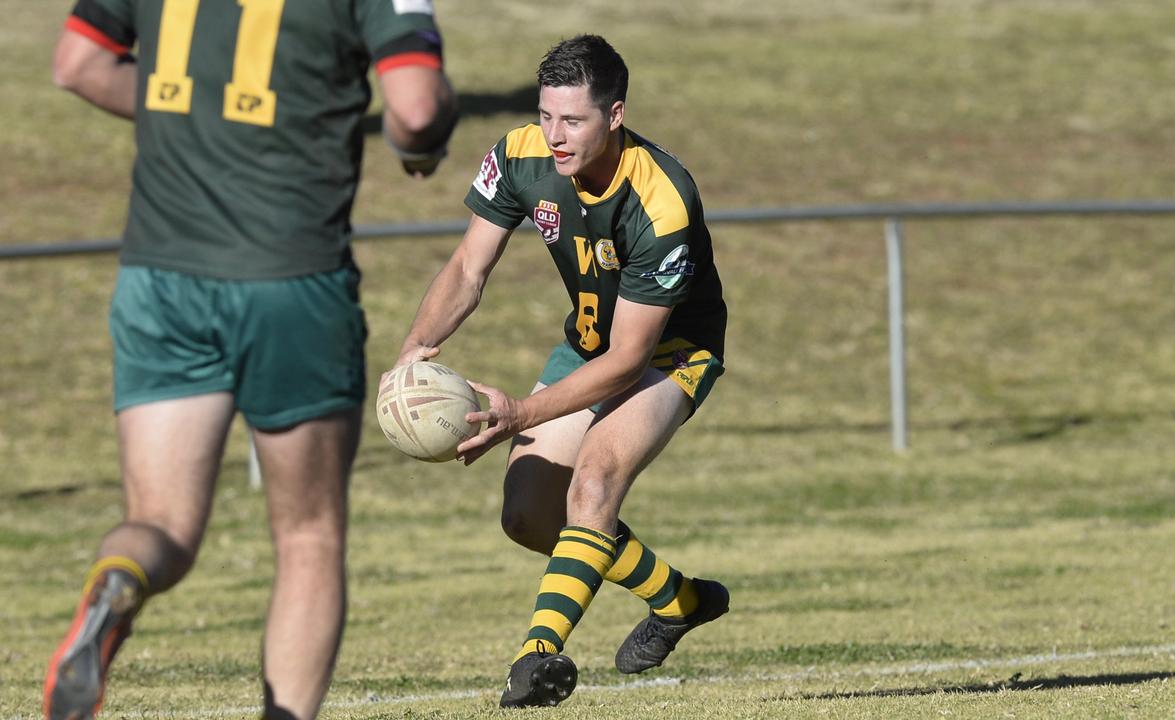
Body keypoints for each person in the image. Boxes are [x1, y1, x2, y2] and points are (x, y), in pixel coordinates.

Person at [44, 0, 457, 717]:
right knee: (308, 533)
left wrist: (194, 121)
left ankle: (117, 583)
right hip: (290, 280)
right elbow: (416, 108)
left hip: (160, 279)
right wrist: (422, 145)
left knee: (164, 525)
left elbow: (77, 66)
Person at [385, 34, 730, 708]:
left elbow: (631, 357)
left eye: (573, 120)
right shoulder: (519, 156)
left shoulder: (662, 200)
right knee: (527, 515)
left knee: (594, 481)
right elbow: (466, 269)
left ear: (615, 115)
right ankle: (681, 600)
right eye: (547, 115)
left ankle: (535, 657)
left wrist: (517, 413)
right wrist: (414, 350)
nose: (555, 135)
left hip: (671, 352)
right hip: (591, 344)